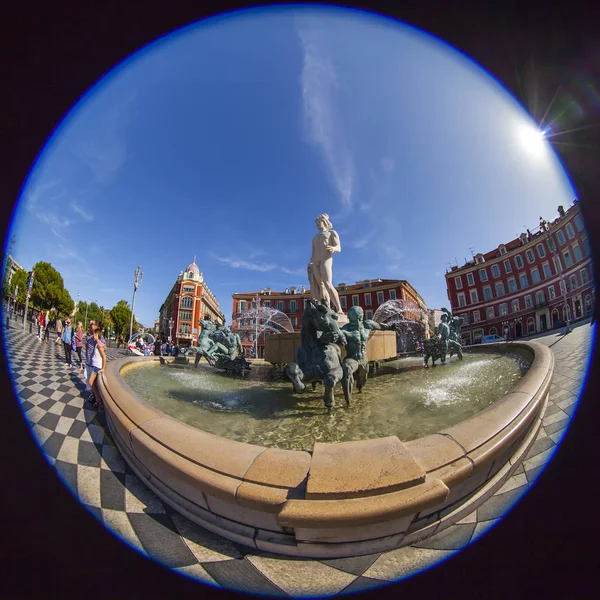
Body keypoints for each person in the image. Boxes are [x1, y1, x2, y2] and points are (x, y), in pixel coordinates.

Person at [307, 213, 343, 314]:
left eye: (320, 222)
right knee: (321, 286)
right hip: (315, 262)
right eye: (317, 223)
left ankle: (339, 309)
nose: (318, 224)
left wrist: (333, 248)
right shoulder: (314, 239)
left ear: (325, 222)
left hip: (326, 259)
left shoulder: (332, 233)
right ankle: (326, 309)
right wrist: (309, 264)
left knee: (328, 284)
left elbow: (339, 247)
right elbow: (313, 253)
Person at [87, 327, 107, 408]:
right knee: (94, 384)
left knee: (90, 382)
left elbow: (104, 357)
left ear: (97, 335)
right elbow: (105, 348)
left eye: (94, 335)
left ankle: (98, 399)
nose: (93, 336)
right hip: (95, 365)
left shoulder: (99, 345)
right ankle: (97, 400)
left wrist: (102, 368)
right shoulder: (98, 344)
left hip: (97, 367)